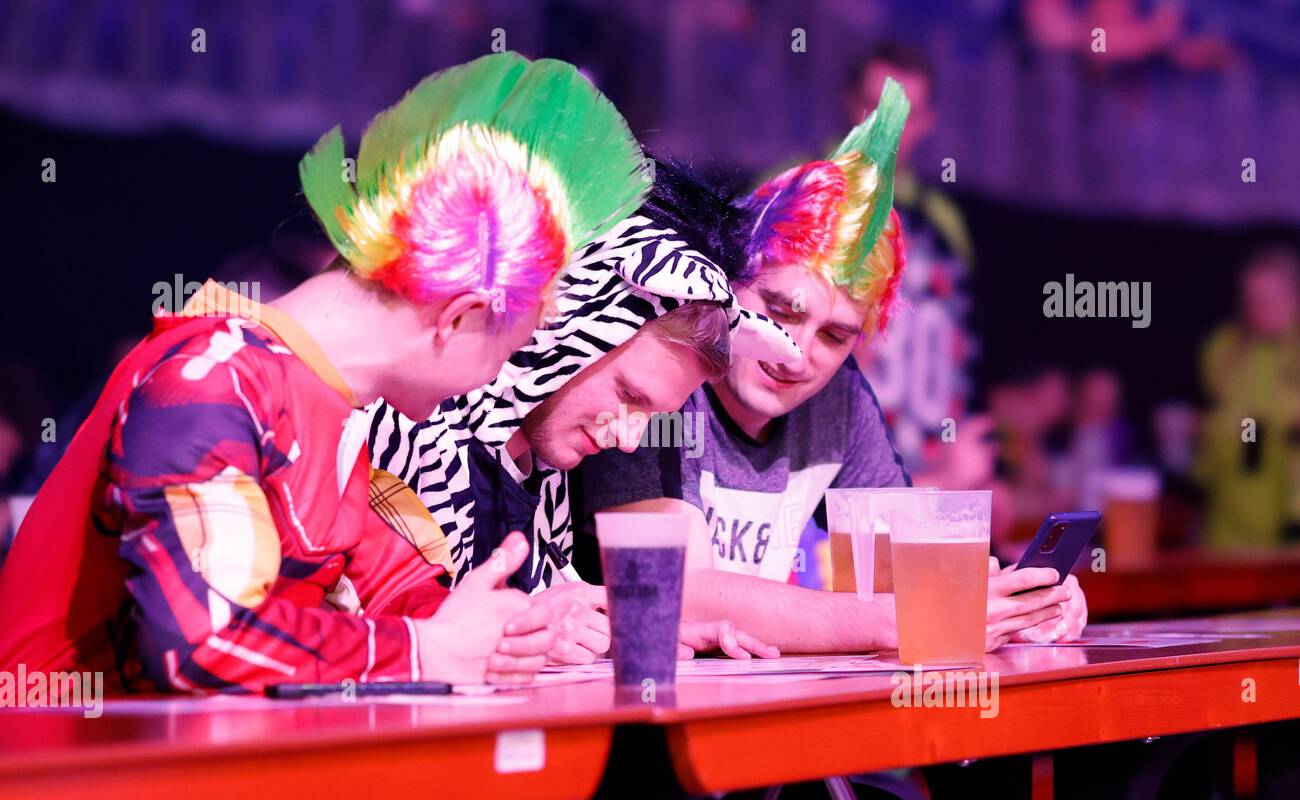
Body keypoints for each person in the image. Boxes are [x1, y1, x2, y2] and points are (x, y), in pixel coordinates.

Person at [0, 52, 649, 692]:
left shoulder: (326, 414)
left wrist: (510, 627)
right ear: (460, 317)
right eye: (511, 350)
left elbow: (405, 603)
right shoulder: (210, 380)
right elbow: (202, 641)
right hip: (57, 779)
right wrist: (428, 649)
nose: (495, 383)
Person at [579, 78, 1089, 657]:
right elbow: (678, 592)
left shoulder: (840, 400)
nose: (796, 350)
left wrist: (1019, 597)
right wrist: (898, 621)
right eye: (779, 311)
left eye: (835, 335)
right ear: (731, 281)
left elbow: (909, 568)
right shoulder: (661, 369)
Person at [364, 158, 803, 663]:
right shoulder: (407, 426)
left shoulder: (541, 469)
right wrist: (523, 628)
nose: (631, 438)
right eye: (629, 395)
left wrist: (621, 633)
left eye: (653, 415)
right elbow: (367, 629)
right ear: (569, 325)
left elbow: (543, 613)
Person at [1194, 244, 1300, 549]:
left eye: (1271, 300)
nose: (1260, 309)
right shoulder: (1223, 348)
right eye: (1252, 299)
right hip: (1227, 516)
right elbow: (1219, 420)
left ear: (1293, 297)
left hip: (1288, 518)